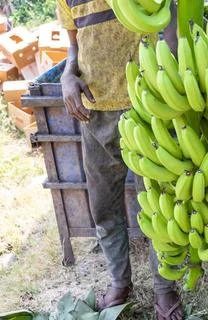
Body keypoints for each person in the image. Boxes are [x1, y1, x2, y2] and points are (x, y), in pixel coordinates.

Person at [56, 1, 183, 317]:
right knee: (103, 206)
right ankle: (118, 281)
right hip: (94, 113)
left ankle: (164, 287)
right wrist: (67, 75)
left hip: (147, 105)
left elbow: (171, 26)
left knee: (158, 207)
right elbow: (74, 47)